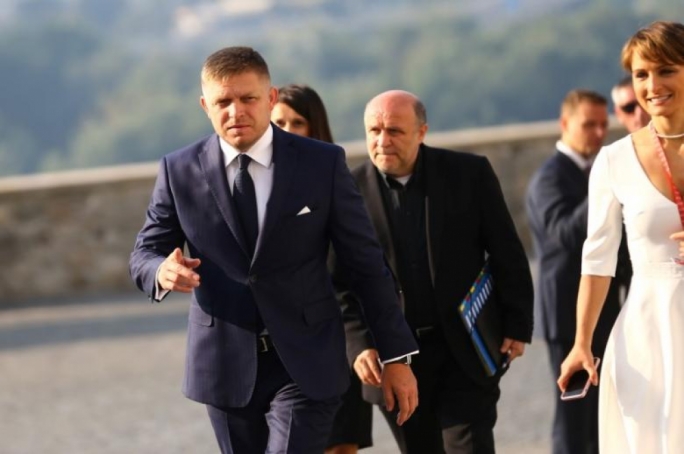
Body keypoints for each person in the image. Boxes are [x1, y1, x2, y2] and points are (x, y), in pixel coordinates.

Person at [129, 46, 420, 454]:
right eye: (223, 102)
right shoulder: (178, 170)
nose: (236, 112)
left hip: (307, 361)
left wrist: (397, 357)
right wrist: (161, 271)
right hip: (225, 366)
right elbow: (144, 253)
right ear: (204, 106)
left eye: (248, 98)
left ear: (271, 98)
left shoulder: (322, 164)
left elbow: (367, 265)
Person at [331, 90, 534, 453]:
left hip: (465, 350)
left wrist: (518, 325)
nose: (382, 141)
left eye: (394, 130)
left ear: (422, 131)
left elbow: (507, 251)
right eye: (374, 130)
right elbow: (337, 283)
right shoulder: (346, 191)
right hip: (392, 360)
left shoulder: (469, 174)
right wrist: (359, 345)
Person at [558, 21, 684, 453]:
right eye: (641, 74)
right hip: (647, 334)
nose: (652, 85)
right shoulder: (614, 161)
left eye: (666, 70)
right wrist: (581, 342)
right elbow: (597, 262)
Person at [526, 89, 631, 454]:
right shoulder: (549, 177)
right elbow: (564, 235)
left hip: (604, 309)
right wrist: (604, 189)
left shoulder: (589, 170)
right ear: (565, 123)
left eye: (604, 125)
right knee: (573, 415)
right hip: (567, 315)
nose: (599, 133)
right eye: (589, 125)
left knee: (601, 414)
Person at [271, 83, 374, 454]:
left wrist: (362, 342)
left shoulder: (335, 178)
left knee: (342, 446)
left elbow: (357, 268)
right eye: (278, 121)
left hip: (337, 338)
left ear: (315, 127)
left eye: (297, 122)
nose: (286, 130)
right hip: (283, 346)